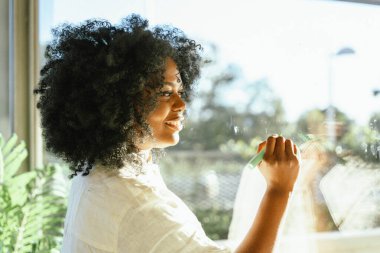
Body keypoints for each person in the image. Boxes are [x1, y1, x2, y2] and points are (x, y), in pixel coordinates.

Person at [34, 14, 300, 253]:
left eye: (180, 92)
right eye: (165, 93)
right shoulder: (135, 204)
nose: (182, 105)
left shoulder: (95, 174)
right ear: (117, 101)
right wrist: (279, 189)